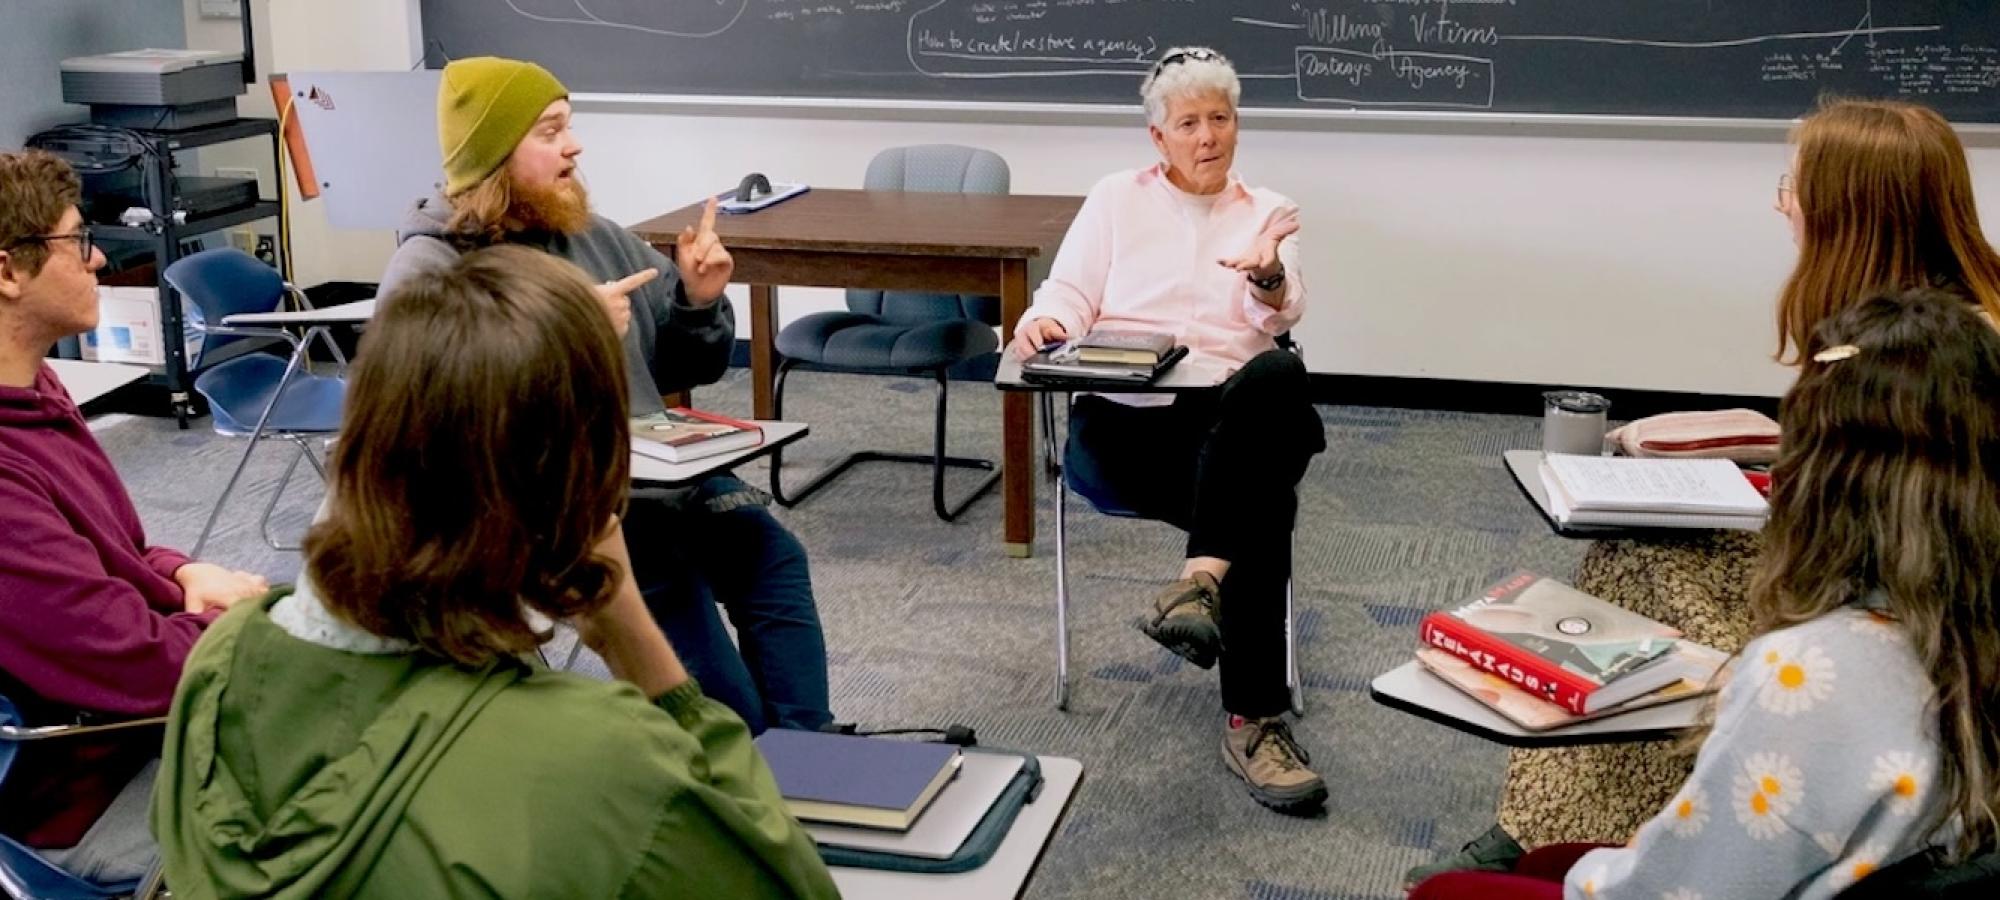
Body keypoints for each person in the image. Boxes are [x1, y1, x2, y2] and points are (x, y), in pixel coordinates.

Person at [1410, 96, 2000, 885]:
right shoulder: (1947, 331)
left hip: (1894, 621)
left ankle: (1597, 812)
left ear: (1851, 212)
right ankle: (1592, 812)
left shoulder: (1925, 363)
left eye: (1794, 186)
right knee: (1643, 552)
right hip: (1925, 614)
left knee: (1642, 568)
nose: (1781, 204)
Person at [149, 246, 839, 899]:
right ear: (580, 487)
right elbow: (788, 880)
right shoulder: (600, 756)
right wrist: (636, 643)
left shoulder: (221, 661)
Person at [375, 57, 830, 734]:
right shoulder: (430, 269)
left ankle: (812, 758)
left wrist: (700, 303)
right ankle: (749, 767)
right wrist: (560, 335)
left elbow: (680, 366)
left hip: (656, 476)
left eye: (569, 127)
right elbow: (424, 430)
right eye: (550, 131)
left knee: (772, 557)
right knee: (675, 596)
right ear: (495, 153)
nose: (574, 145)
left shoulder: (594, 236)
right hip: (543, 504)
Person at [1009, 46, 1327, 814]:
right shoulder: (1117, 199)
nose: (1209, 136)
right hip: (1125, 428)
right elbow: (1068, 290)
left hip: (1227, 418)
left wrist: (1266, 276)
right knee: (1264, 500)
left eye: (1221, 118)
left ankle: (1196, 586)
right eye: (1189, 122)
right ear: (1159, 138)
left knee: (1277, 376)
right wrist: (1045, 322)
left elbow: (1281, 315)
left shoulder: (1266, 210)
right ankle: (1254, 722)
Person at [0, 150, 269, 885]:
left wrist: (181, 571)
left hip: (138, 722)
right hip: (92, 791)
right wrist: (247, 630)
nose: (93, 257)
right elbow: (128, 660)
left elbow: (112, 549)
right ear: (7, 272)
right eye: (72, 240)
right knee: (371, 788)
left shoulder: (34, 386)